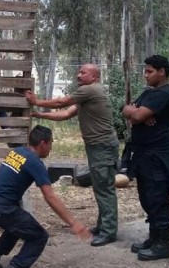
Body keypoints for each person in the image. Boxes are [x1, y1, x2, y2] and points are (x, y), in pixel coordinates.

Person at [25, 64, 119, 247]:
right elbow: (66, 113)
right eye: (79, 72)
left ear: (94, 76)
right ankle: (104, 226)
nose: (78, 75)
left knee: (105, 188)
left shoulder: (90, 90)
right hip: (98, 147)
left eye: (83, 72)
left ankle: (109, 232)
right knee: (100, 186)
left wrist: (37, 101)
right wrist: (39, 114)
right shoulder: (90, 94)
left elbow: (63, 103)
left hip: (102, 147)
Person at [0, 125, 92, 268]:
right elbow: (50, 197)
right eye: (51, 143)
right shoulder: (35, 163)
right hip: (2, 208)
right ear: (43, 143)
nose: (51, 148)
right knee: (39, 237)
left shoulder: (17, 152)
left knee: (17, 226)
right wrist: (74, 223)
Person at [122, 55, 169, 261]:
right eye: (145, 70)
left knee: (158, 200)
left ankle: (162, 244)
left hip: (158, 156)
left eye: (150, 71)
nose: (145, 74)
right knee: (147, 198)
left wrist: (138, 113)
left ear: (162, 72)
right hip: (143, 155)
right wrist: (135, 111)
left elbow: (137, 116)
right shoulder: (150, 93)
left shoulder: (164, 93)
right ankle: (153, 237)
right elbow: (126, 110)